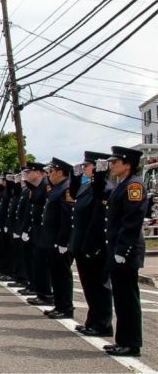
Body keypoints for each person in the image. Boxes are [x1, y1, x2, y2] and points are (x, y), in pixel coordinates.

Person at [102, 146, 147, 357]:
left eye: (115, 162)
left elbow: (133, 220)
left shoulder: (133, 185)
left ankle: (131, 343)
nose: (111, 165)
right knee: (121, 298)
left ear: (127, 164)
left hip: (126, 250)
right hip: (117, 247)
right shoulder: (122, 184)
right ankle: (123, 340)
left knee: (128, 299)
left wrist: (123, 249)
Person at [69, 151, 113, 337]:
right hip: (82, 244)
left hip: (95, 245)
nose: (83, 168)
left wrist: (94, 246)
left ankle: (103, 324)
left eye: (86, 166)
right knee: (89, 286)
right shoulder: (87, 187)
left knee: (99, 286)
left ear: (97, 167)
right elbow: (73, 194)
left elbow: (100, 220)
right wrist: (74, 177)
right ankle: (92, 321)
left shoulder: (104, 188)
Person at [40, 158, 74, 319]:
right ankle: (59, 305)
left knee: (62, 275)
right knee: (56, 275)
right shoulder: (57, 188)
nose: (49, 174)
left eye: (51, 171)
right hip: (51, 239)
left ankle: (65, 307)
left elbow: (67, 218)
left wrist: (63, 241)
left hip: (59, 241)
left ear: (60, 172)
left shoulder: (66, 188)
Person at [24, 162, 53, 305]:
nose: (26, 175)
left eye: (29, 172)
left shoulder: (46, 186)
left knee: (43, 264)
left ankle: (46, 294)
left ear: (38, 173)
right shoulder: (35, 187)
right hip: (36, 229)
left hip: (44, 230)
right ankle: (41, 292)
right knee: (37, 262)